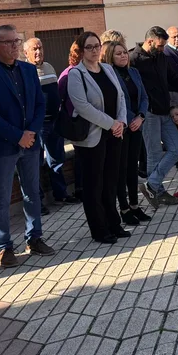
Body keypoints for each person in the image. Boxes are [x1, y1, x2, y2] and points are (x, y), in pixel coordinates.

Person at [0, 26, 55, 269]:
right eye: (8, 42)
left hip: (30, 143)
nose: (14, 46)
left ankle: (35, 238)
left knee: (32, 192)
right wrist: (17, 136)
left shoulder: (29, 70)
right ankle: (4, 247)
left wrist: (31, 133)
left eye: (16, 41)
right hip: (3, 146)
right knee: (2, 197)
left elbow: (41, 104)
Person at [66, 32, 129, 244]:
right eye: (89, 47)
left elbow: (120, 96)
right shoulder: (76, 74)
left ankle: (114, 223)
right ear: (81, 50)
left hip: (114, 134)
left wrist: (120, 122)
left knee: (111, 181)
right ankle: (99, 230)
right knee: (94, 184)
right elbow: (82, 107)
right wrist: (111, 123)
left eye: (97, 46)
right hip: (92, 136)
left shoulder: (108, 69)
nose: (94, 50)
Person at [130, 26, 178, 208]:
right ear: (150, 41)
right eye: (160, 46)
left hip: (165, 110)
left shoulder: (161, 57)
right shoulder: (134, 59)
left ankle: (152, 185)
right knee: (153, 154)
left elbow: (174, 79)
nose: (163, 49)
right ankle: (158, 193)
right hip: (149, 114)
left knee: (176, 148)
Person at [23, 37, 79, 206]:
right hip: (37, 126)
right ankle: (37, 202)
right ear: (26, 53)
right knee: (36, 163)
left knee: (56, 160)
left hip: (54, 122)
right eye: (34, 49)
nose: (38, 52)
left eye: (40, 48)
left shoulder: (49, 67)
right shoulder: (24, 71)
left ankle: (60, 194)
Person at [103, 39, 153, 226]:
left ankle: (134, 205)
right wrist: (130, 119)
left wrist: (140, 116)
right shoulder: (110, 75)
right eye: (118, 53)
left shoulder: (134, 72)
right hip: (121, 128)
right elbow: (117, 101)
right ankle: (123, 209)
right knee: (121, 170)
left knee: (133, 168)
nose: (123, 55)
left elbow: (144, 97)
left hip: (136, 126)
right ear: (110, 56)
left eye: (124, 52)